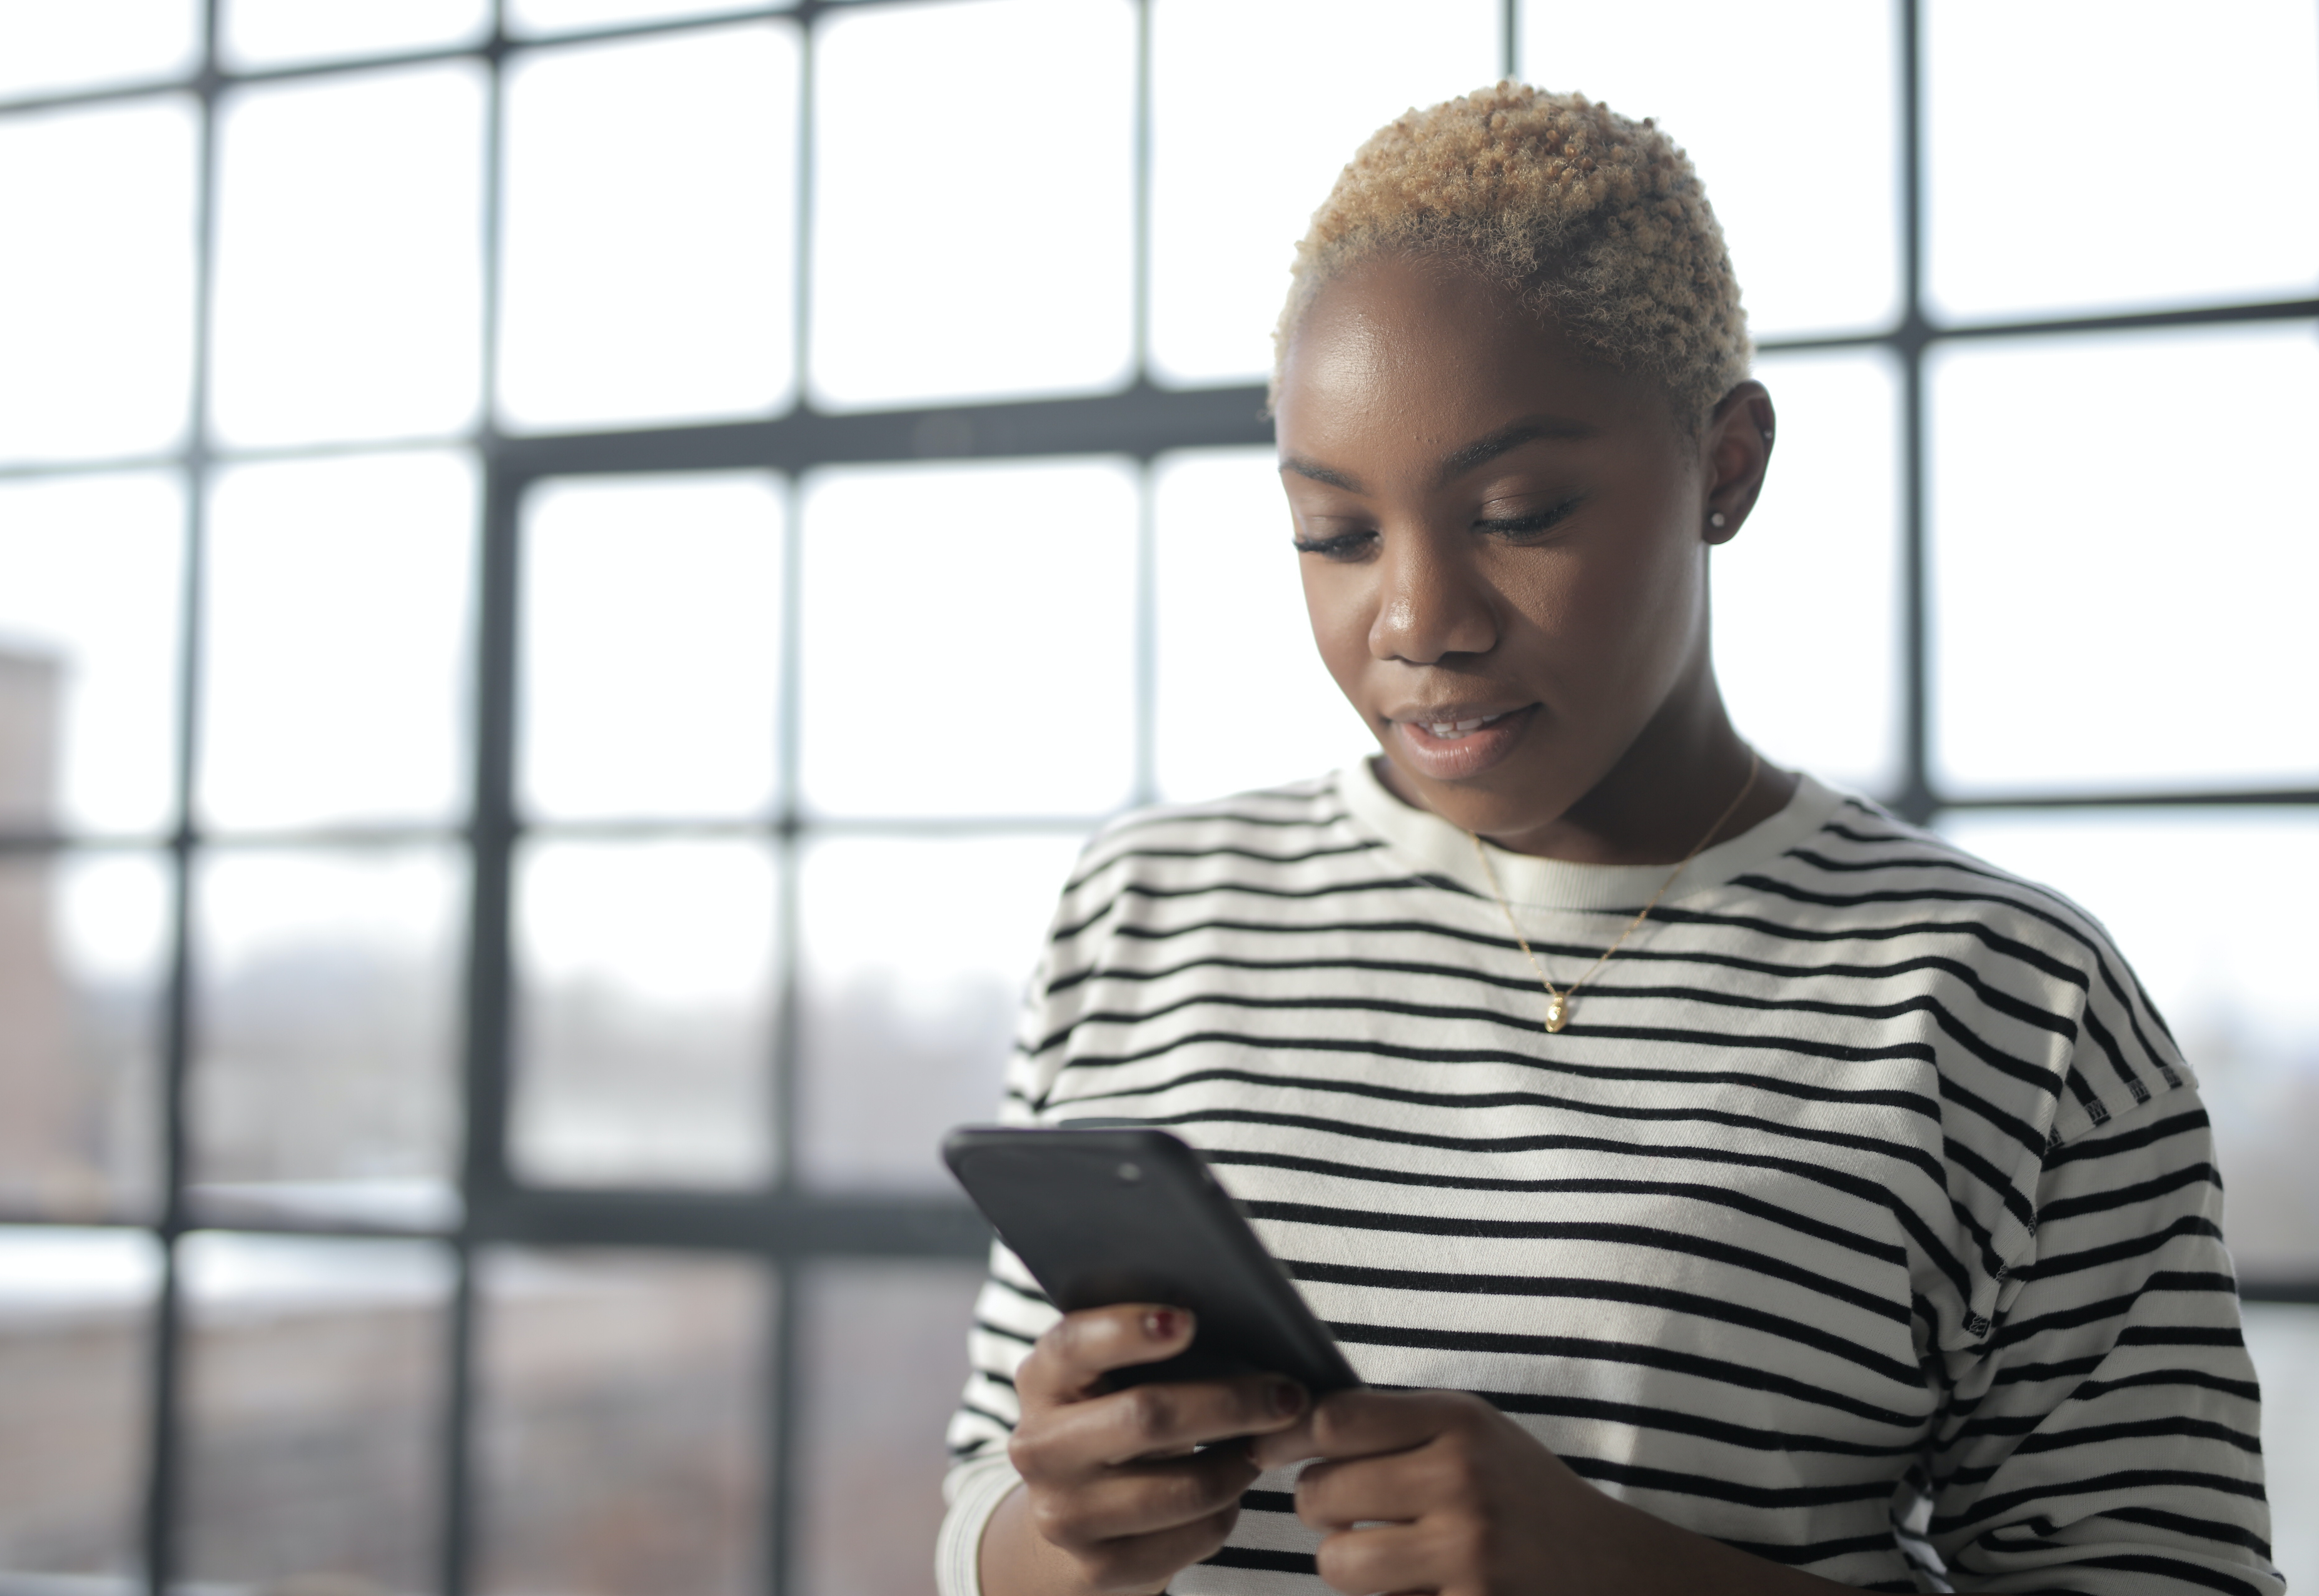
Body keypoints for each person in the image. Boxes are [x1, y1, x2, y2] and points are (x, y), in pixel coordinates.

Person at [936, 83, 2278, 1596]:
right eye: (1337, 533)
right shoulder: (1151, 905)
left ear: (1726, 466)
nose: (1417, 622)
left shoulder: (2005, 1003)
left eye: (1519, 510)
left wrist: (1635, 1575)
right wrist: (1055, 1531)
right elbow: (989, 1484)